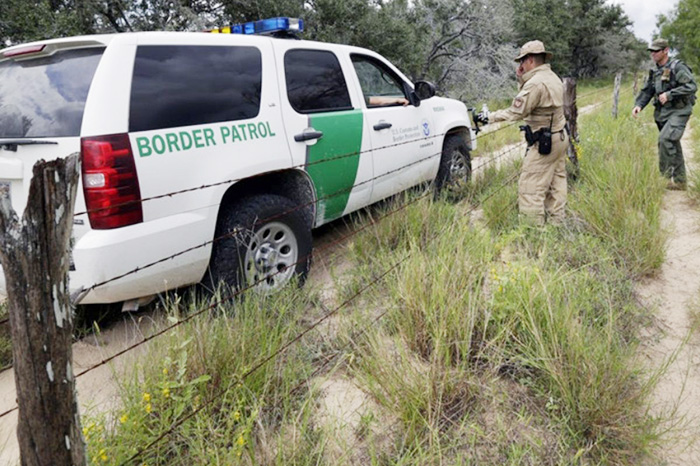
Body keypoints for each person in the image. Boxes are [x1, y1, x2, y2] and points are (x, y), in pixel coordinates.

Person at [477, 40, 568, 225]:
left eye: (522, 61)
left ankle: (532, 231)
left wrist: (489, 117)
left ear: (530, 60)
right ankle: (557, 223)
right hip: (559, 136)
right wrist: (521, 79)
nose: (520, 66)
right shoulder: (552, 77)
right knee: (556, 182)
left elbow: (517, 112)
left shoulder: (535, 84)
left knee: (530, 187)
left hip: (544, 142)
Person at [632, 38, 697, 190]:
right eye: (651, 51)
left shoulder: (677, 67)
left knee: (665, 139)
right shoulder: (655, 71)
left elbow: (691, 86)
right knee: (672, 143)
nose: (653, 54)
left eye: (656, 51)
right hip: (663, 113)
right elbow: (648, 90)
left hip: (680, 111)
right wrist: (639, 105)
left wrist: (670, 94)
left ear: (666, 50)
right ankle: (680, 182)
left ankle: (664, 178)